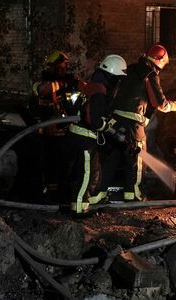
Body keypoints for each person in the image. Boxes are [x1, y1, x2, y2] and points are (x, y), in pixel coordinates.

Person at [90, 44, 176, 203]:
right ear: (159, 60)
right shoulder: (150, 73)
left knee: (111, 159)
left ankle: (98, 194)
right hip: (134, 125)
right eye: (164, 64)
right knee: (136, 160)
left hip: (114, 122)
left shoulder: (129, 69)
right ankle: (135, 196)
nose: (163, 67)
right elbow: (160, 103)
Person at [65, 54, 127, 213]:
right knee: (85, 175)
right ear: (112, 76)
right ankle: (78, 210)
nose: (118, 83)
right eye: (118, 78)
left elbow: (100, 114)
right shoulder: (99, 91)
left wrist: (116, 128)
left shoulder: (92, 87)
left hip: (80, 137)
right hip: (84, 138)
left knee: (93, 173)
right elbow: (95, 121)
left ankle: (88, 204)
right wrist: (113, 132)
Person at [31, 50, 84, 202]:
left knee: (67, 167)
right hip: (48, 135)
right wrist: (63, 83)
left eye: (66, 65)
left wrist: (77, 84)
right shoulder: (41, 83)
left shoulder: (69, 82)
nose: (65, 68)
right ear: (52, 66)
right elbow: (42, 90)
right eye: (62, 65)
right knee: (50, 167)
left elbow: (81, 93)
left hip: (66, 131)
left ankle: (64, 194)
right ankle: (50, 197)